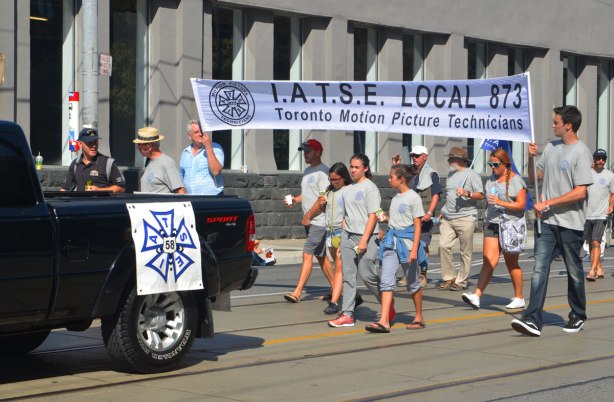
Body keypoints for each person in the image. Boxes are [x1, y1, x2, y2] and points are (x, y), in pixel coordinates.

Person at [511, 105, 593, 337]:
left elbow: (580, 192)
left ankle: (577, 314)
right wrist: (531, 157)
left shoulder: (581, 152)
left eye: (556, 122)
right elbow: (533, 177)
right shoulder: (550, 147)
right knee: (539, 269)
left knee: (574, 271)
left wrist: (548, 203)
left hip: (570, 223)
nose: (553, 125)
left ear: (568, 125)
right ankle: (532, 318)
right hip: (546, 222)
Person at [461, 148, 527, 310]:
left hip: (510, 225)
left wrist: (501, 202)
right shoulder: (490, 180)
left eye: (496, 164)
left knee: (512, 263)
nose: (493, 167)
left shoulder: (516, 180)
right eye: (490, 164)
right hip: (492, 223)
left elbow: (521, 205)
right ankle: (477, 295)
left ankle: (519, 297)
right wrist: (467, 193)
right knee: (488, 260)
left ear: (505, 164)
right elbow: (482, 196)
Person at [366, 164, 426, 333]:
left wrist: (414, 250)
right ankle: (384, 321)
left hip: (407, 246)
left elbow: (417, 226)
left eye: (391, 177)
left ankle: (419, 317)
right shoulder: (395, 198)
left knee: (413, 283)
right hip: (392, 244)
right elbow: (396, 221)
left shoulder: (414, 198)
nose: (389, 179)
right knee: (386, 280)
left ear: (401, 179)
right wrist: (385, 218)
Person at [328, 153, 382, 328]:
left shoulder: (370, 188)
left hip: (367, 237)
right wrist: (341, 242)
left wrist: (365, 240)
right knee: (348, 276)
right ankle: (347, 314)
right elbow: (345, 216)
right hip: (348, 236)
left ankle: (386, 302)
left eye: (356, 167)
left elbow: (373, 215)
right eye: (351, 166)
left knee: (367, 275)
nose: (353, 170)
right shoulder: (348, 189)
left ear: (365, 168)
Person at [283, 139, 334, 303]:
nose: (305, 154)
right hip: (311, 221)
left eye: (308, 151)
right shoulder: (307, 171)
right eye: (304, 151)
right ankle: (336, 288)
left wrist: (308, 216)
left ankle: (297, 292)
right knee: (321, 257)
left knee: (307, 253)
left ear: (318, 152)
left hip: (319, 221)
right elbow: (307, 194)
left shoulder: (324, 172)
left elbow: (322, 199)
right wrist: (295, 200)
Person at [392, 145, 442, 288]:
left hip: (423, 216)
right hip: (408, 216)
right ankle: (408, 274)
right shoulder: (409, 172)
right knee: (407, 245)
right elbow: (398, 182)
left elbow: (435, 195)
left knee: (423, 244)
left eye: (417, 155)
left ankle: (423, 275)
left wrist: (429, 213)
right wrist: (396, 166)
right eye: (413, 155)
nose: (414, 158)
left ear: (425, 157)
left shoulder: (432, 174)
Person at [437, 146, 484, 291]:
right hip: (448, 217)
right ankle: (449, 277)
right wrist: (443, 210)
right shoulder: (450, 175)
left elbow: (481, 195)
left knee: (465, 251)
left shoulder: (472, 175)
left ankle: (461, 280)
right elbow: (449, 196)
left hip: (466, 217)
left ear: (459, 160)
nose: (448, 160)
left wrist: (467, 193)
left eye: (451, 158)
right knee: (443, 245)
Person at [318, 162, 352, 315]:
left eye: (337, 179)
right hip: (330, 232)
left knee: (339, 268)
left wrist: (345, 236)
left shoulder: (348, 191)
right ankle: (354, 296)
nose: (334, 182)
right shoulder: (329, 192)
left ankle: (334, 302)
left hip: (342, 231)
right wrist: (322, 205)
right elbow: (324, 210)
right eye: (331, 179)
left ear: (344, 177)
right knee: (338, 266)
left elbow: (349, 214)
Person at [60, 128, 125, 193]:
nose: (94, 146)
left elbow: (121, 188)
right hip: (80, 202)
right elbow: (65, 188)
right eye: (90, 143)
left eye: (95, 142)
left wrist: (98, 190)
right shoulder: (75, 164)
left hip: (101, 203)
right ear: (80, 144)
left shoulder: (107, 163)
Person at [584, 149, 614, 280]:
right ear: (594, 159)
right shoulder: (586, 174)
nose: (601, 161)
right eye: (598, 158)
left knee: (596, 241)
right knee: (591, 243)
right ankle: (599, 269)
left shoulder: (610, 175)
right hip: (587, 214)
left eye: (603, 158)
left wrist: (612, 205)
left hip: (601, 214)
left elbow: (613, 194)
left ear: (606, 160)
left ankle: (592, 271)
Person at [134, 126, 186, 194]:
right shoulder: (149, 161)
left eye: (140, 145)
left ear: (149, 146)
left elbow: (181, 192)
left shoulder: (167, 163)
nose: (138, 148)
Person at [180, 119, 225, 195]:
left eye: (202, 131)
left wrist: (208, 147)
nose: (200, 134)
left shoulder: (216, 148)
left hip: (211, 199)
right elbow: (182, 177)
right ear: (189, 136)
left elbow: (216, 171)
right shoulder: (186, 152)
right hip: (190, 200)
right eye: (196, 132)